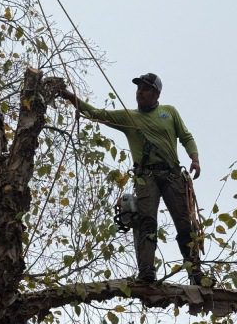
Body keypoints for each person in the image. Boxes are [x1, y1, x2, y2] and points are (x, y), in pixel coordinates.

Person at [63, 73, 209, 285]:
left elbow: (186, 137)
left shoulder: (169, 112)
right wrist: (69, 97)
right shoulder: (128, 117)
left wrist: (194, 159)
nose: (140, 92)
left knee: (185, 225)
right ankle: (146, 271)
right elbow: (96, 113)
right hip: (146, 176)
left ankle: (196, 274)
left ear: (156, 93)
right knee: (146, 222)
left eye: (145, 89)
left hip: (171, 174)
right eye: (139, 88)